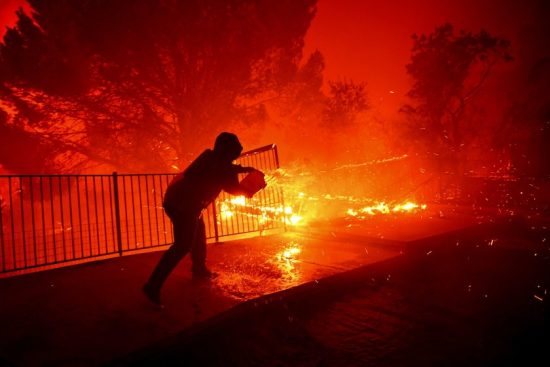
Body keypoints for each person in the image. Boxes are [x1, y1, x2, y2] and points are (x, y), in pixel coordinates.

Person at [142, 132, 264, 306]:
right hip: (183, 205)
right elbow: (222, 176)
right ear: (227, 150)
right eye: (234, 150)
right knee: (182, 245)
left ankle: (199, 269)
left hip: (184, 202)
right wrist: (248, 183)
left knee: (199, 234)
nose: (236, 153)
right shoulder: (213, 162)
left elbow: (230, 186)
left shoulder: (216, 161)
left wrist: (247, 181)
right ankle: (152, 285)